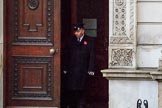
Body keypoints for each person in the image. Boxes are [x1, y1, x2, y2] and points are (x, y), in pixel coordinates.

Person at [61, 23, 95, 108]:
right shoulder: (70, 41)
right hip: (72, 69)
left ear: (83, 31)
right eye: (75, 32)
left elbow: (92, 56)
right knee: (72, 89)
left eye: (78, 31)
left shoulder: (90, 41)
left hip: (83, 69)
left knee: (83, 88)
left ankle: (82, 104)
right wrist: (65, 67)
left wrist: (91, 69)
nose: (76, 33)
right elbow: (66, 55)